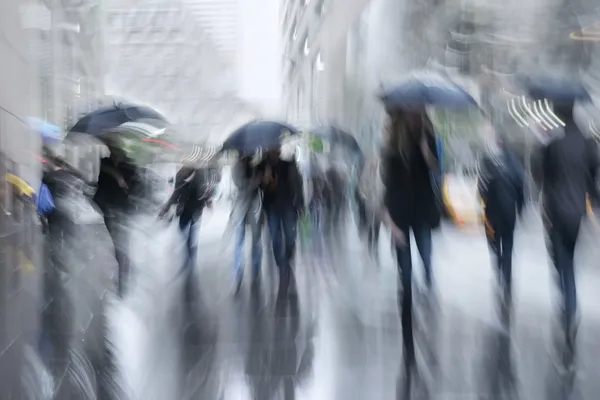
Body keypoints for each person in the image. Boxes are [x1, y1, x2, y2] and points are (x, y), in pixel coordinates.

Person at [378, 108, 440, 370]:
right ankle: (407, 336)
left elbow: (436, 171)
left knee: (426, 262)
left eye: (420, 114)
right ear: (403, 118)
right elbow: (387, 187)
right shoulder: (392, 148)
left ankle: (426, 295)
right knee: (404, 277)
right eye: (412, 115)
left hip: (423, 214)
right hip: (400, 216)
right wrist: (390, 223)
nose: (417, 118)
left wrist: (427, 151)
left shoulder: (430, 140)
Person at [539, 101, 599, 358]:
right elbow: (593, 177)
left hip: (555, 213)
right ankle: (570, 309)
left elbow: (544, 179)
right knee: (569, 262)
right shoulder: (587, 143)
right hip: (576, 213)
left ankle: (567, 307)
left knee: (560, 262)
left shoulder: (553, 144)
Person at [478, 131, 524, 324]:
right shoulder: (515, 167)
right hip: (509, 214)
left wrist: (485, 202)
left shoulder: (491, 162)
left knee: (495, 244)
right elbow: (521, 189)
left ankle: (500, 272)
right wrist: (520, 210)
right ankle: (507, 279)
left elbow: (483, 188)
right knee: (508, 246)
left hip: (493, 213)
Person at [159, 164, 215, 299]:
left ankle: (190, 265)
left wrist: (208, 201)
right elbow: (175, 195)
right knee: (185, 239)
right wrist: (165, 210)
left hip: (195, 213)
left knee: (190, 241)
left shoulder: (199, 176)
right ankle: (188, 261)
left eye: (184, 168)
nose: (182, 170)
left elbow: (204, 193)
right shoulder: (180, 177)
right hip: (183, 214)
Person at [258, 148, 304, 294]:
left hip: (289, 206)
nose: (274, 150)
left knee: (291, 237)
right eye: (272, 148)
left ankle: (288, 255)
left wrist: (301, 205)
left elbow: (298, 184)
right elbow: (259, 187)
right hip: (272, 208)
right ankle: (282, 267)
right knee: (275, 238)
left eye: (276, 147)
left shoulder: (288, 164)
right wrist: (265, 181)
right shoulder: (262, 166)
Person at [93, 146, 138, 297]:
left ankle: (123, 281)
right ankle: (119, 274)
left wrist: (126, 187)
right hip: (108, 209)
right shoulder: (104, 163)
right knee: (114, 245)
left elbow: (136, 188)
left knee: (121, 247)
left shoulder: (129, 166)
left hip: (123, 209)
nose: (114, 151)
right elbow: (100, 185)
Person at [231, 156, 264, 291]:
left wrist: (261, 179)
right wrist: (255, 181)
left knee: (256, 241)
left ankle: (255, 271)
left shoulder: (256, 166)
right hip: (241, 208)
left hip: (254, 208)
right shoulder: (236, 167)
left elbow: (261, 186)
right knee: (239, 241)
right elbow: (241, 184)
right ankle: (238, 273)